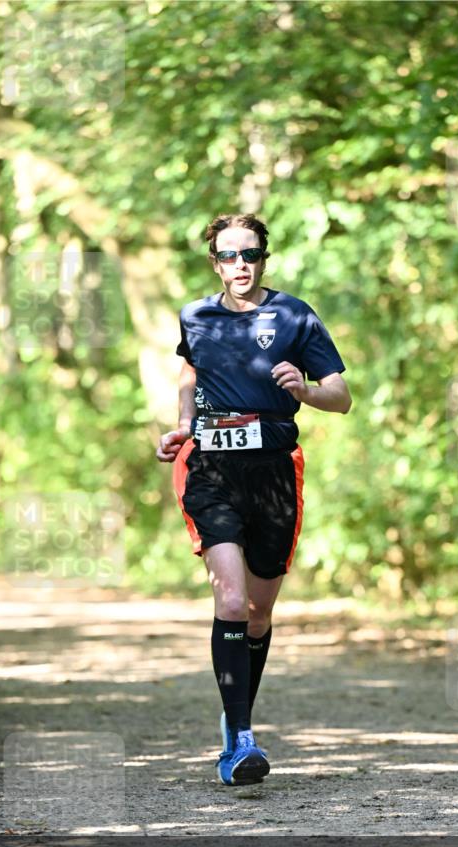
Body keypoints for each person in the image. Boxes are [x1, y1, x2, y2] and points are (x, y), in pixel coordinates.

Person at [156, 213, 351, 786]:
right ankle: (240, 742)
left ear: (264, 257)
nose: (239, 265)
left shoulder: (293, 314)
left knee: (260, 613)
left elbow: (342, 396)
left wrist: (307, 391)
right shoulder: (196, 315)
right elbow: (191, 374)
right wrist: (182, 426)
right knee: (233, 599)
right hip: (212, 467)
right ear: (214, 261)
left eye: (250, 254)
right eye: (227, 255)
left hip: (274, 470)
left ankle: (235, 714)